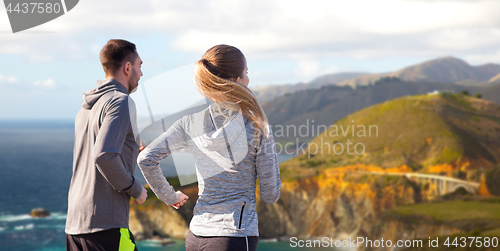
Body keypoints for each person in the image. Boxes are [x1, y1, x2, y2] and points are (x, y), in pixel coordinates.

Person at [137, 44, 281, 251]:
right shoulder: (257, 126)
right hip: (234, 237)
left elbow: (146, 158)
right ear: (237, 81)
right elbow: (271, 195)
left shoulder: (188, 123)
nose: (249, 80)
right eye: (246, 73)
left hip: (196, 237)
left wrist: (170, 196)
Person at [65, 39, 187, 251]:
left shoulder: (85, 108)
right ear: (127, 67)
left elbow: (99, 150)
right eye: (139, 66)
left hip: (75, 226)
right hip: (106, 226)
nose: (141, 73)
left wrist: (130, 150)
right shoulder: (121, 101)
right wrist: (136, 189)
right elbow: (103, 155)